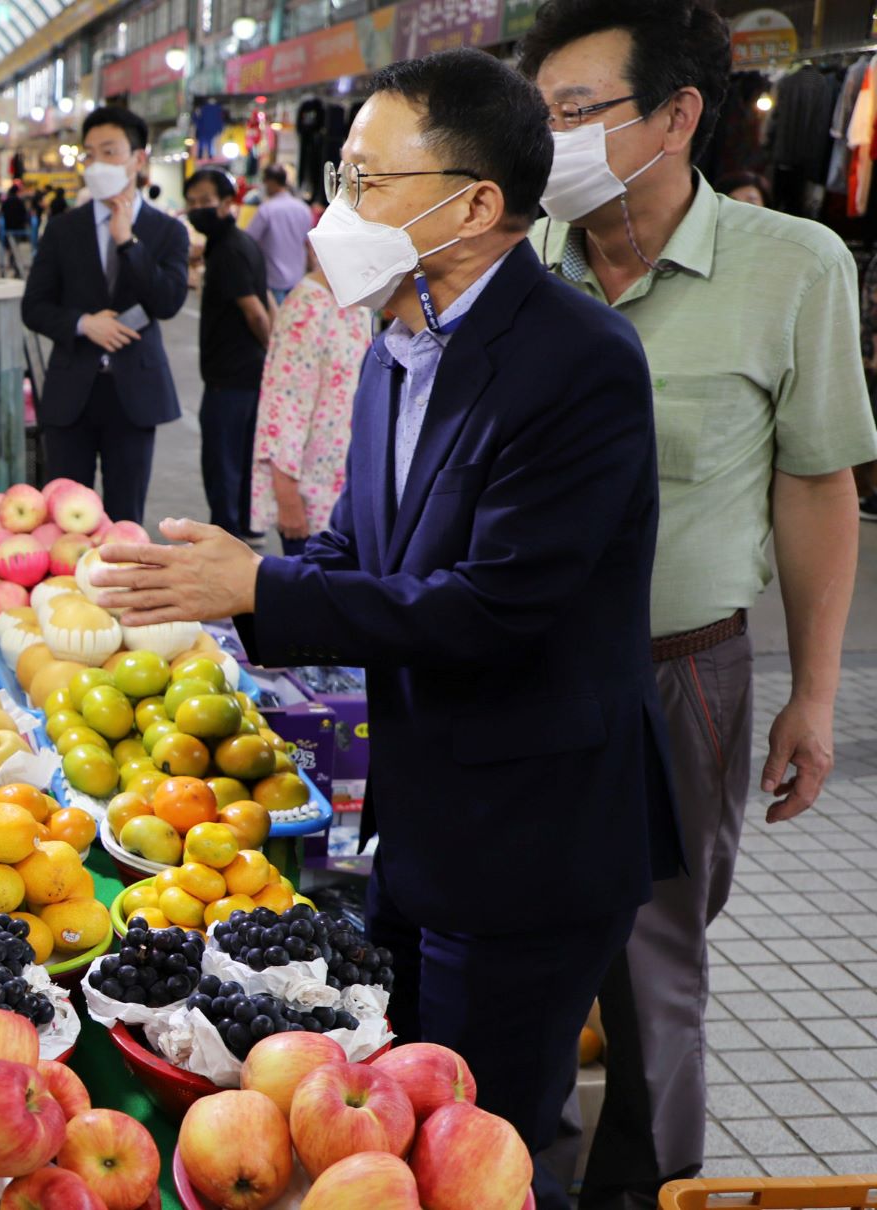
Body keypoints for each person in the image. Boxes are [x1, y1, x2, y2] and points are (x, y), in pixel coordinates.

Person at [88, 51, 678, 1209]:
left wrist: (262, 590)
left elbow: (495, 608)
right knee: (393, 1118)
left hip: (529, 834)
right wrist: (228, 576)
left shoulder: (579, 364)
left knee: (477, 1148)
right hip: (421, 821)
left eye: (364, 181)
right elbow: (363, 554)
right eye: (338, 176)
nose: (333, 209)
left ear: (473, 205)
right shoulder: (399, 346)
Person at [519, 3, 877, 1204]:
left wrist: (815, 694)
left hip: (679, 676)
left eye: (578, 114)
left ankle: (647, 1189)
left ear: (677, 117)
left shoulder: (794, 269)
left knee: (653, 968)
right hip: (508, 671)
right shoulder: (510, 264)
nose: (551, 140)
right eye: (542, 117)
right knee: (516, 959)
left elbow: (818, 486)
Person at [21, 104, 189, 527]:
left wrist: (128, 243)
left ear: (138, 158)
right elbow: (34, 306)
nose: (97, 163)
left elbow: (167, 301)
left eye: (110, 151)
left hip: (134, 393)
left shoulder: (168, 232)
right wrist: (83, 323)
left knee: (125, 516)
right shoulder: (62, 229)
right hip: (71, 390)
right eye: (90, 154)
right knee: (62, 517)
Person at [250, 261, 371, 555]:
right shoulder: (308, 304)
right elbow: (283, 406)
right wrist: (287, 498)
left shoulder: (362, 303)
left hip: (347, 492)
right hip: (312, 501)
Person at [183, 167, 273, 539]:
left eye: (205, 202)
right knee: (243, 458)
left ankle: (227, 535)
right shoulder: (240, 243)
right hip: (245, 374)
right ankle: (246, 527)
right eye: (191, 203)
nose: (197, 209)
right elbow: (266, 299)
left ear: (226, 203)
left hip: (231, 378)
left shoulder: (230, 252)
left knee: (222, 462)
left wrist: (272, 350)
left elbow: (254, 309)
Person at [244, 164, 314, 302]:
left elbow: (249, 240)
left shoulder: (266, 210)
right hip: (297, 278)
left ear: (271, 182)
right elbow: (308, 243)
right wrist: (311, 267)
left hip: (273, 279)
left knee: (276, 321)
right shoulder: (303, 209)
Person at [1, 182, 31, 247]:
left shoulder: (6, 200)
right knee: (16, 241)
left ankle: (11, 252)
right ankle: (13, 252)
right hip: (18, 225)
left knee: (9, 240)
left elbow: (2, 211)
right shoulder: (19, 201)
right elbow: (24, 212)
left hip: (8, 224)